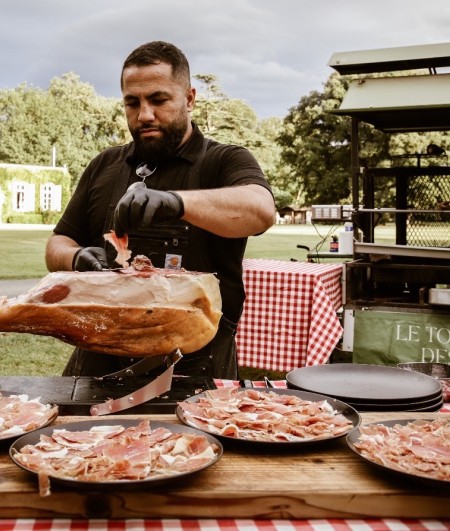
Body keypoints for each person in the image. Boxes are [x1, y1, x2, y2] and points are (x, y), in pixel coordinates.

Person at [45, 40, 276, 379]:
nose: (144, 115)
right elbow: (57, 245)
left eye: (158, 100)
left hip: (194, 368)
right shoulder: (104, 165)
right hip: (99, 360)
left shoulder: (224, 160)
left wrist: (175, 202)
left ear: (190, 98)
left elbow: (262, 210)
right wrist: (76, 257)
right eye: (132, 102)